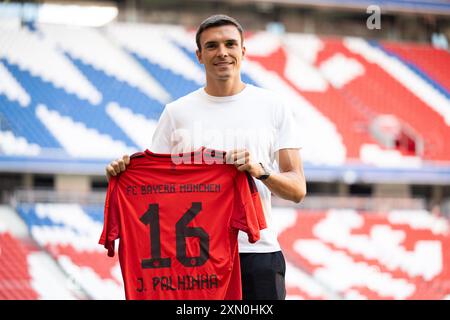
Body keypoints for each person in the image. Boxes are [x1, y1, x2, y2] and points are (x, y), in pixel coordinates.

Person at [105, 14, 306, 300]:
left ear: (243, 51)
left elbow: (298, 189)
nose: (222, 52)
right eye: (211, 46)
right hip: (194, 261)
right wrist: (124, 172)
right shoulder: (176, 113)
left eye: (230, 44)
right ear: (199, 55)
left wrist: (261, 171)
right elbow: (155, 187)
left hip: (257, 254)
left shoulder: (274, 107)